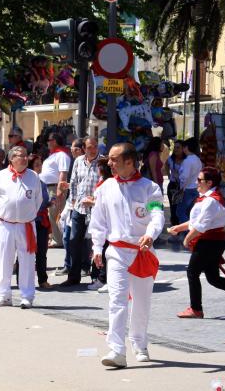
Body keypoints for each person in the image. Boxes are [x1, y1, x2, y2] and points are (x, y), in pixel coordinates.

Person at [88, 142, 164, 368]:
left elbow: (157, 215)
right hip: (117, 252)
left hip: (142, 252)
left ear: (129, 162)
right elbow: (98, 221)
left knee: (141, 302)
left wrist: (150, 234)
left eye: (114, 159)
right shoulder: (105, 187)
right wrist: (97, 247)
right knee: (117, 300)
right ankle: (116, 350)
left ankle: (139, 343)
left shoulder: (150, 188)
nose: (109, 163)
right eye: (109, 159)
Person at [167, 167, 225, 318]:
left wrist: (187, 238)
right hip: (211, 242)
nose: (196, 182)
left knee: (192, 272)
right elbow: (196, 221)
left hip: (209, 243)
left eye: (199, 180)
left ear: (209, 183)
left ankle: (196, 309)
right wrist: (179, 228)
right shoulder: (207, 199)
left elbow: (201, 226)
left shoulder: (211, 201)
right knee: (213, 279)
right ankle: (196, 309)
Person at [0, 146, 43, 308]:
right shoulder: (0, 176)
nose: (25, 158)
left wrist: (26, 215)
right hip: (5, 225)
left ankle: (27, 296)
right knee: (5, 260)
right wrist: (5, 215)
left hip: (26, 225)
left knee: (27, 261)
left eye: (26, 155)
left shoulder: (33, 176)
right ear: (11, 159)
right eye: (20, 156)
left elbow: (38, 200)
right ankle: (4, 295)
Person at [60, 137, 100, 287]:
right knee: (74, 241)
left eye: (95, 146)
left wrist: (96, 199)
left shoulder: (102, 161)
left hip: (96, 208)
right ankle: (73, 276)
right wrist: (73, 201)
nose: (93, 150)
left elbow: (106, 183)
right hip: (79, 208)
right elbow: (74, 182)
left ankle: (96, 276)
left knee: (96, 242)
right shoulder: (78, 161)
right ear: (84, 148)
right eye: (89, 147)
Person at [40, 133, 71, 248]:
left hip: (54, 187)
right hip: (48, 187)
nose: (47, 142)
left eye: (49, 140)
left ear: (54, 141)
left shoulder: (62, 155)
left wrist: (60, 190)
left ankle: (58, 240)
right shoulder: (53, 155)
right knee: (51, 214)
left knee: (55, 213)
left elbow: (63, 173)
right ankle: (55, 237)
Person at [87, 157, 113, 292]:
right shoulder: (103, 183)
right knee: (101, 251)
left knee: (105, 252)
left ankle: (104, 279)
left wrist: (92, 202)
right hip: (101, 224)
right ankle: (102, 278)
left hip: (108, 226)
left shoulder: (109, 184)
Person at [27, 154, 53, 289]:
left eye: (40, 163)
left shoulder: (41, 182)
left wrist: (50, 203)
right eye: (36, 164)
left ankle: (42, 280)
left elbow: (42, 203)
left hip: (41, 221)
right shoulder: (27, 182)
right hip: (30, 221)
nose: (40, 166)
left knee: (42, 252)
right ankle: (23, 281)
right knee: (26, 252)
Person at [177, 138, 203, 227]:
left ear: (186, 147)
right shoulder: (197, 159)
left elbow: (184, 177)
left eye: (183, 147)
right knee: (191, 212)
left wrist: (181, 189)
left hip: (187, 189)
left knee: (181, 212)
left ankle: (185, 232)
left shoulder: (187, 160)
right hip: (195, 188)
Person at [166, 140, 186, 226]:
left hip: (183, 186)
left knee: (182, 207)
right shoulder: (171, 159)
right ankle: (174, 226)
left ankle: (182, 225)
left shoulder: (186, 160)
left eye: (178, 147)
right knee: (173, 208)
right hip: (173, 185)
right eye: (175, 147)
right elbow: (166, 165)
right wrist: (168, 175)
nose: (176, 149)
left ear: (183, 149)